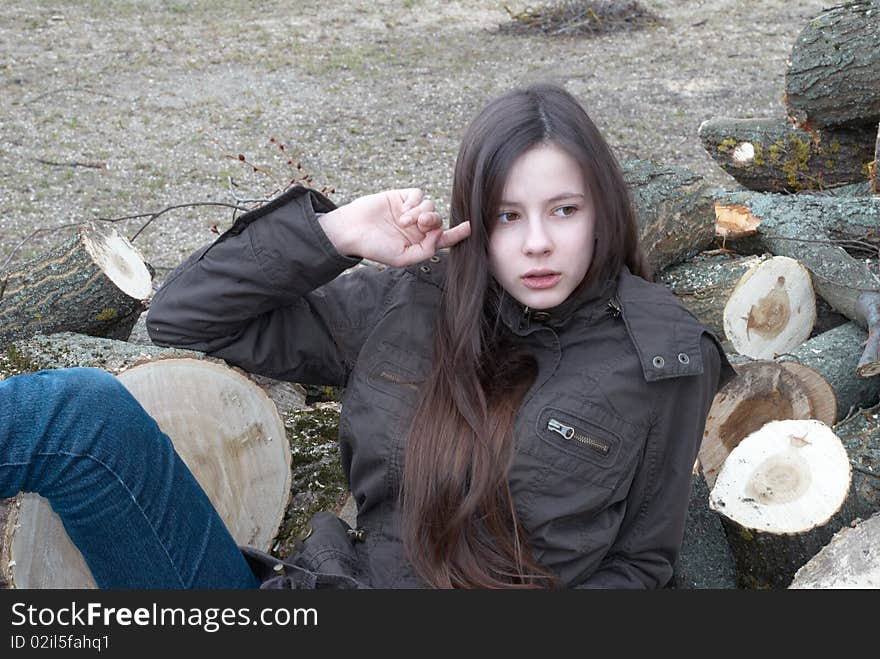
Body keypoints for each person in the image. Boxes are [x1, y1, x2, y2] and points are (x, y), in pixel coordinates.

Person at [0, 81, 734, 589]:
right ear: (473, 215)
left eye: (564, 210)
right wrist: (335, 232)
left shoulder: (662, 359)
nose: (537, 243)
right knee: (79, 416)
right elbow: (187, 314)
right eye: (509, 215)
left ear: (602, 209)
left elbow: (638, 567)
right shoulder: (415, 300)